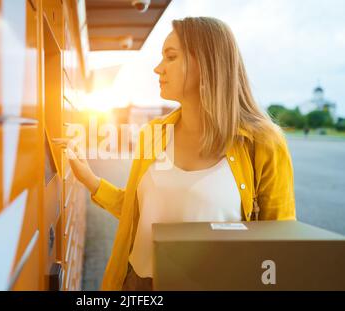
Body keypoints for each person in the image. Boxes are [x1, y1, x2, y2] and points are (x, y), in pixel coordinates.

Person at [52, 17, 296, 291]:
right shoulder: (153, 134)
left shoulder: (263, 142)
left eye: (170, 57)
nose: (158, 69)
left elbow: (279, 243)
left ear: (206, 62)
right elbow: (140, 212)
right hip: (138, 284)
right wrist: (91, 181)